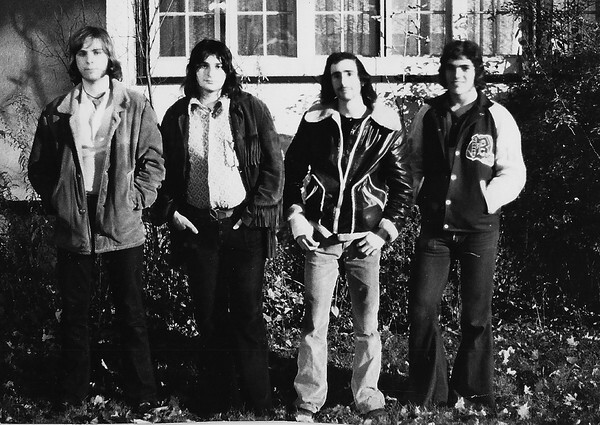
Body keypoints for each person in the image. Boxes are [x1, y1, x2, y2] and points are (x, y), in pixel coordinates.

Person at [28, 26, 164, 411]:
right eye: (83, 53)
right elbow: (40, 168)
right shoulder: (57, 111)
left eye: (97, 53)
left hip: (121, 219)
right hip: (75, 220)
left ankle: (143, 395)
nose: (90, 60)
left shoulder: (134, 105)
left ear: (109, 58)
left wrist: (136, 199)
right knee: (75, 313)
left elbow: (153, 161)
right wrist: (60, 202)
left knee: (131, 312)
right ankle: (73, 395)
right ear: (74, 60)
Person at [151, 39, 283, 415]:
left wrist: (252, 214)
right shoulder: (178, 116)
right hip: (198, 228)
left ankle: (259, 402)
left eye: (219, 65)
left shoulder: (249, 110)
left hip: (244, 225)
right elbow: (162, 172)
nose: (211, 73)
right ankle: (218, 399)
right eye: (204, 65)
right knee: (208, 316)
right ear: (193, 71)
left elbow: (273, 169)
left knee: (247, 314)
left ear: (228, 71)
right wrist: (171, 214)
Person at [283, 52, 413, 422]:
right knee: (314, 322)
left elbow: (403, 187)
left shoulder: (385, 126)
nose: (343, 81)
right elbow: (293, 172)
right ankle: (309, 399)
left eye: (349, 73)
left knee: (367, 325)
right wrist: (297, 218)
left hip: (364, 239)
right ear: (330, 81)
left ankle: (368, 396)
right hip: (322, 236)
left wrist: (384, 233)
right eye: (336, 75)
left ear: (361, 78)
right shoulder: (317, 122)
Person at [407, 40, 526, 411]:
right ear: (443, 72)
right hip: (436, 231)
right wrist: (417, 198)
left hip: (479, 230)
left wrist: (487, 200)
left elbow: (513, 171)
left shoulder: (496, 116)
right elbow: (412, 164)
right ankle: (431, 393)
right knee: (422, 308)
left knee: (476, 316)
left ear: (476, 73)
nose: (457, 75)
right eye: (451, 68)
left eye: (465, 68)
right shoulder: (428, 114)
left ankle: (473, 394)